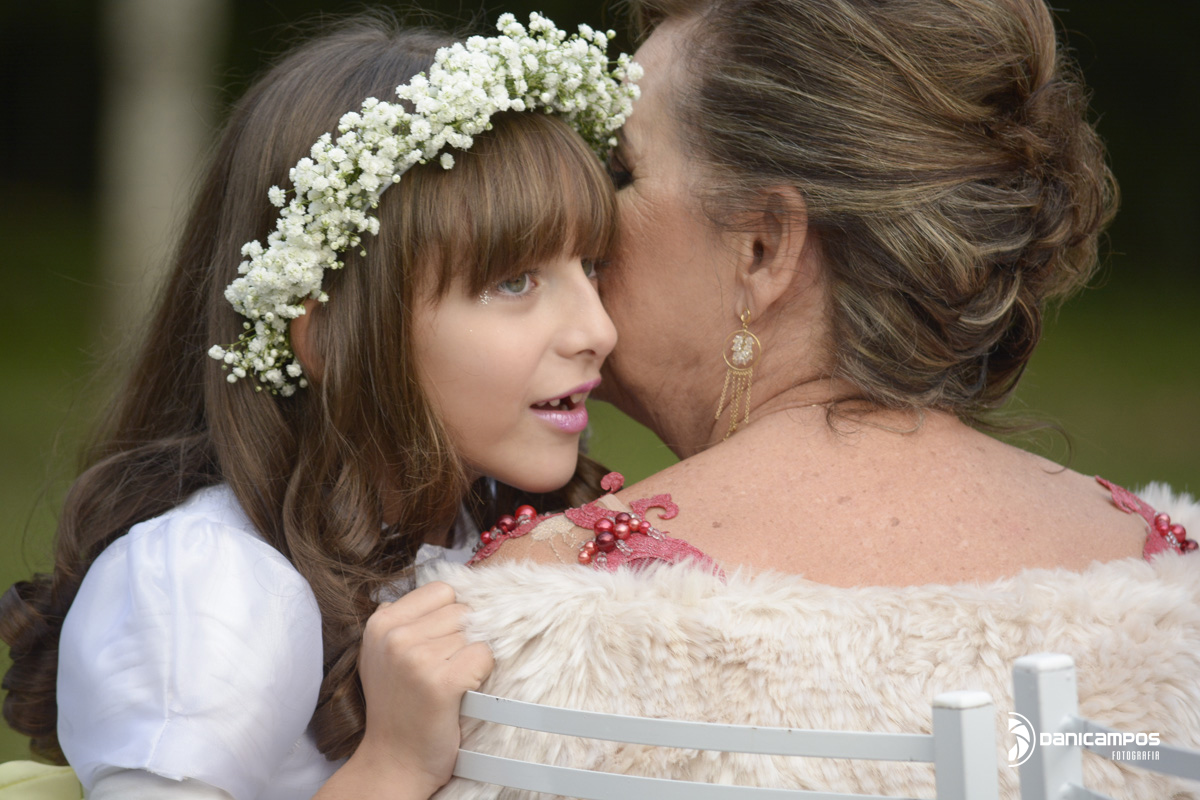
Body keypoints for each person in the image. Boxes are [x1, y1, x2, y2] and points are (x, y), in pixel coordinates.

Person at [442, 0, 1200, 797]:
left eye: (623, 172)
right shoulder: (1170, 578)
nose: (585, 220)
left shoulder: (546, 612)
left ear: (764, 245)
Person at [0, 12, 640, 800]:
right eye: (514, 282)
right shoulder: (213, 584)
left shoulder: (479, 529)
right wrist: (392, 768)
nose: (597, 330)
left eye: (593, 266)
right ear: (328, 332)